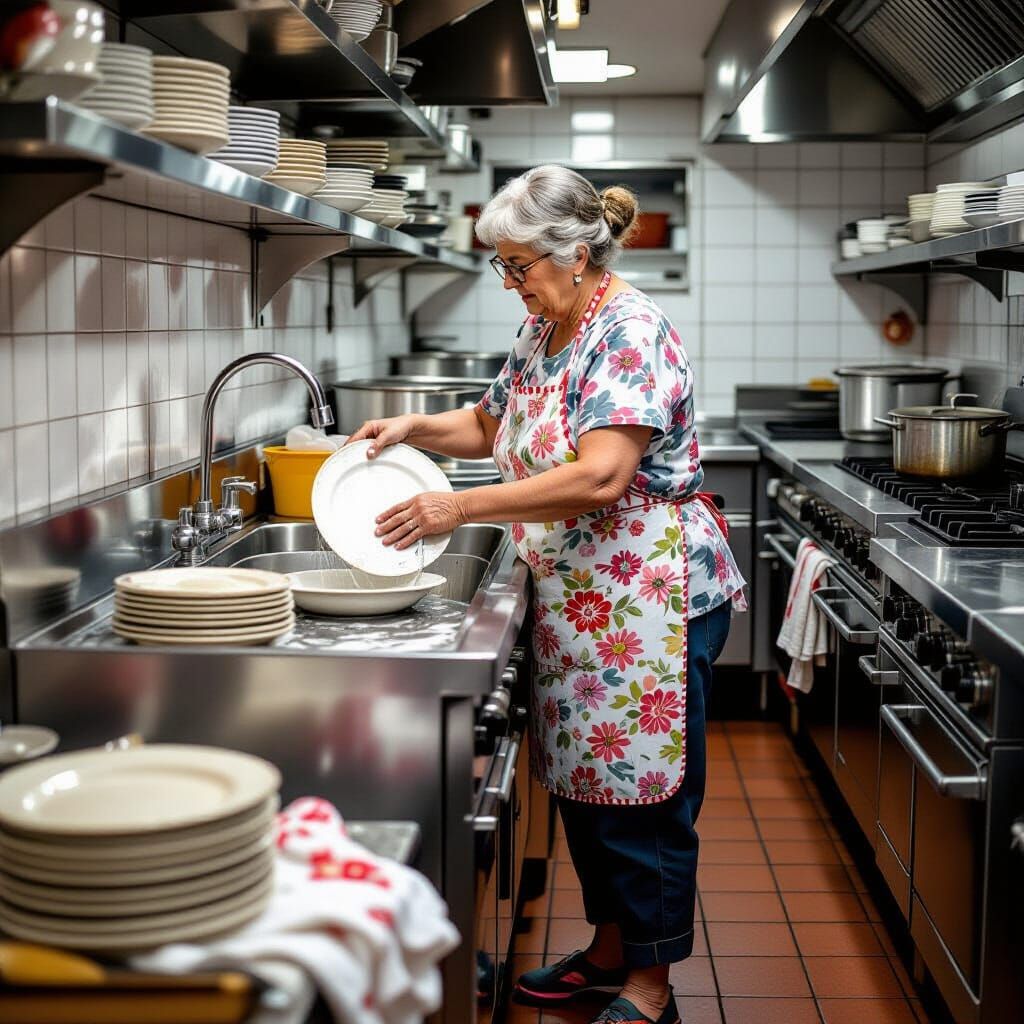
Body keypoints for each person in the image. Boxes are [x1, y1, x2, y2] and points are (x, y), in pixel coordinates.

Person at [346, 165, 746, 1024]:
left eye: (520, 264)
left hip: (650, 598)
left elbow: (602, 476)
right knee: (588, 787)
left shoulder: (628, 332)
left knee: (648, 795)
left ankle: (650, 984)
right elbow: (490, 424)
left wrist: (458, 504)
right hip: (578, 595)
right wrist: (414, 426)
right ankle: (609, 950)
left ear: (574, 254)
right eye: (504, 265)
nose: (511, 281)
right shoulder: (545, 328)